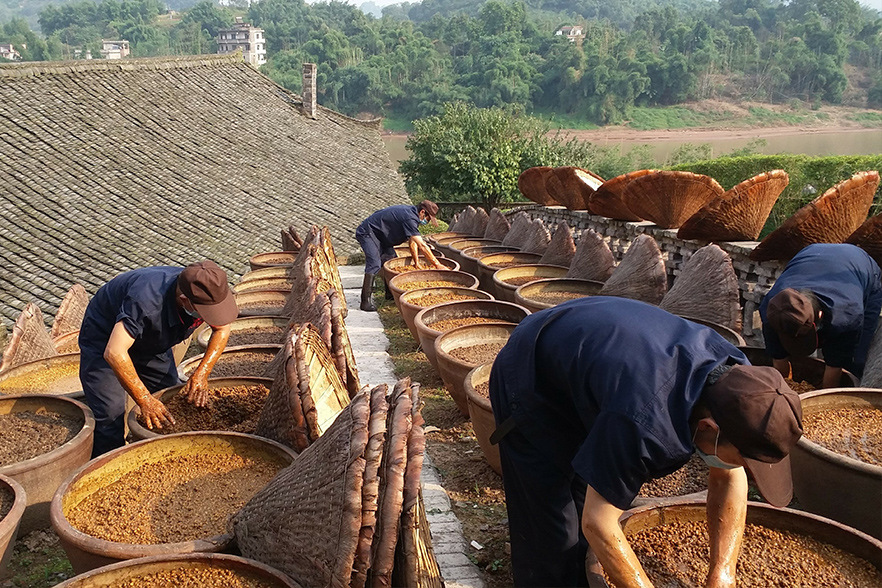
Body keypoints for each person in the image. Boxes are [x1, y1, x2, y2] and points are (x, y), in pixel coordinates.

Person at [488, 297, 803, 588]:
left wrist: (723, 572)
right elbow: (599, 523)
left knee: (586, 495)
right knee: (551, 526)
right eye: (746, 460)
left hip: (598, 363)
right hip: (532, 371)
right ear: (709, 427)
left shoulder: (743, 386)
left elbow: (729, 475)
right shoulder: (645, 421)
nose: (744, 468)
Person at [78, 261, 238, 457]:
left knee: (170, 396)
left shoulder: (206, 287)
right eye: (206, 312)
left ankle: (164, 452)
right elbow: (114, 352)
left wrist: (201, 373)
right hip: (105, 337)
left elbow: (222, 328)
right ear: (184, 299)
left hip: (151, 341)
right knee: (111, 413)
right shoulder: (145, 301)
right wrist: (144, 399)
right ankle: (109, 463)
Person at [759, 243, 882, 388]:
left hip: (859, 265)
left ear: (820, 314)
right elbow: (778, 358)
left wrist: (820, 399)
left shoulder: (847, 316)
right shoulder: (772, 309)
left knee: (855, 359)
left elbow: (835, 367)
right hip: (812, 254)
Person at [355, 200, 445, 311]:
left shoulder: (413, 217)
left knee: (391, 261)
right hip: (367, 232)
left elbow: (413, 242)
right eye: (428, 218)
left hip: (382, 237)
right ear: (422, 212)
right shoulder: (409, 218)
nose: (427, 221)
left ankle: (390, 294)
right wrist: (438, 265)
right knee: (374, 263)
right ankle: (365, 302)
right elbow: (422, 245)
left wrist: (416, 262)